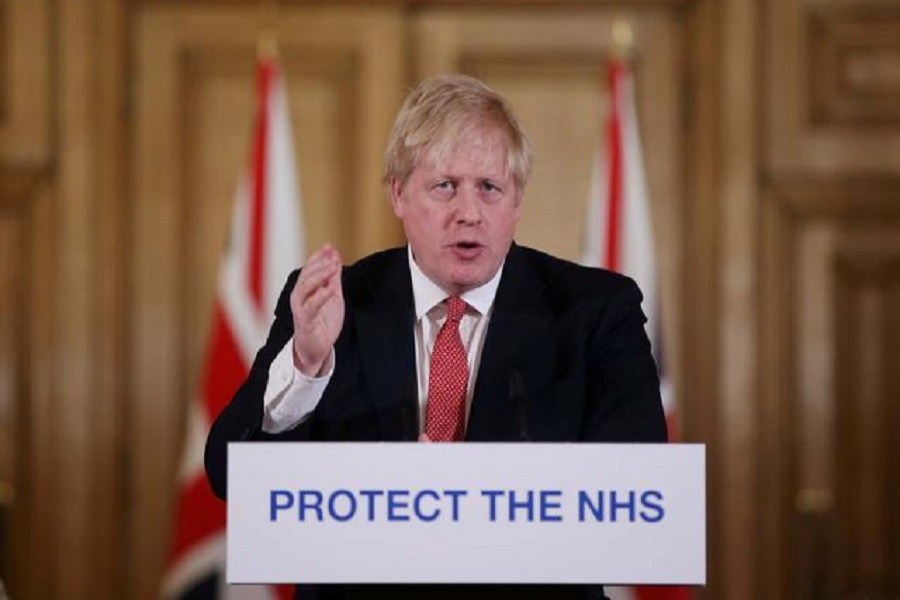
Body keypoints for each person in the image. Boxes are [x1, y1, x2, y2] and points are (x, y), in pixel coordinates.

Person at [205, 74, 666, 600]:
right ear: (398, 194)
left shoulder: (594, 310)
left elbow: (637, 487)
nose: (469, 212)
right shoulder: (337, 304)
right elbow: (229, 476)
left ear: (516, 200)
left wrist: (465, 495)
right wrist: (306, 365)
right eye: (445, 186)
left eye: (490, 188)